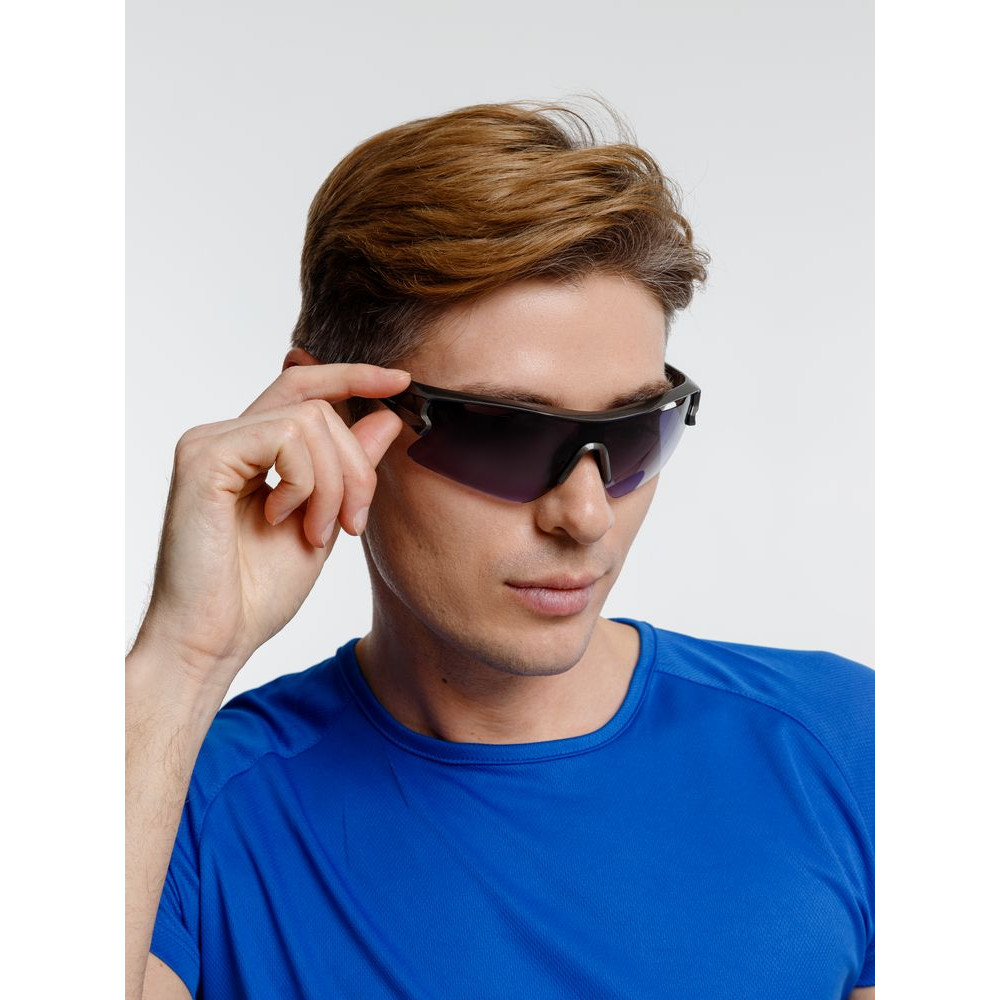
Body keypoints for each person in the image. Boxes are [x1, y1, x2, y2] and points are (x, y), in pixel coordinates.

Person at [125, 99, 874, 1000]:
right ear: (332, 414)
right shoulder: (183, 801)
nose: (586, 515)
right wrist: (184, 656)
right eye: (505, 435)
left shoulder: (844, 743)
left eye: (637, 430)